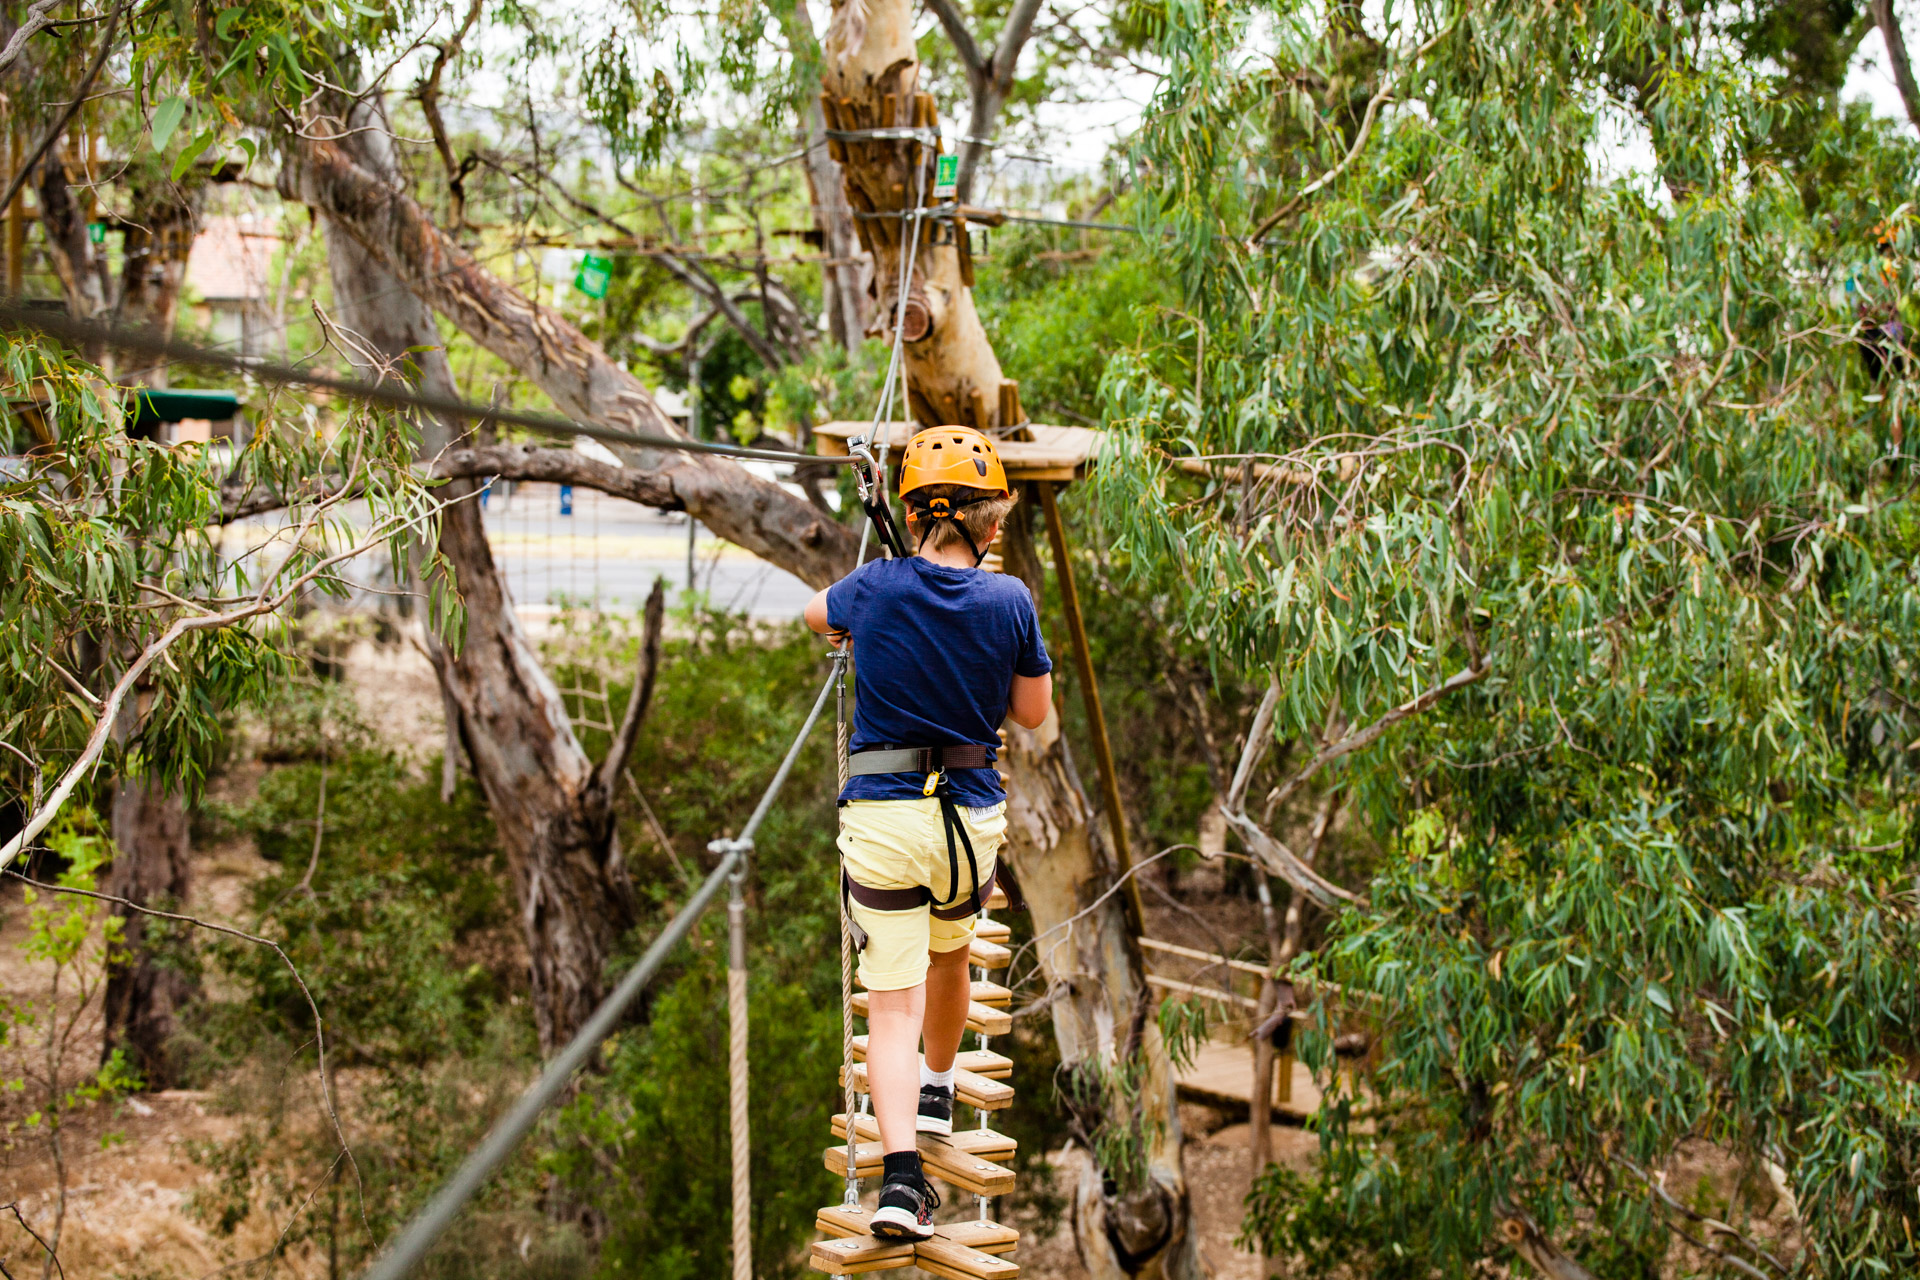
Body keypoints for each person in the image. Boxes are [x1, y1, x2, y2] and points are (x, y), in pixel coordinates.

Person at [803, 425, 1053, 1239]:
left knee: (890, 1008)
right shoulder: (1009, 602)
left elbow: (816, 614)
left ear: (911, 517)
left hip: (882, 821)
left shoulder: (873, 588)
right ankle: (940, 1084)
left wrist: (859, 625)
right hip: (966, 824)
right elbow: (1032, 713)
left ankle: (903, 1186)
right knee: (953, 956)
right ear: (990, 527)